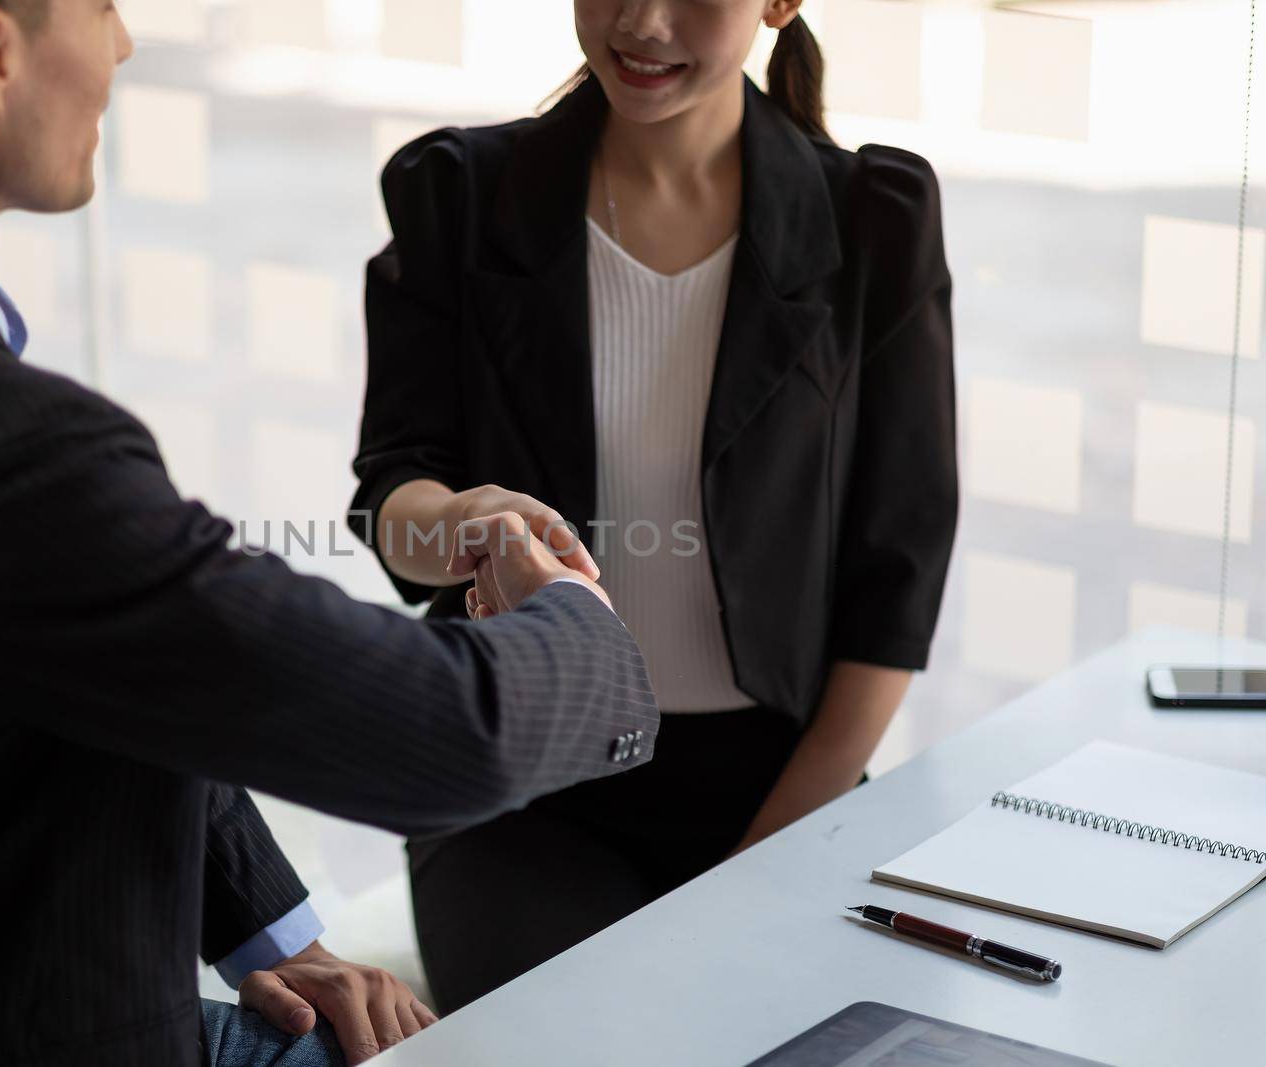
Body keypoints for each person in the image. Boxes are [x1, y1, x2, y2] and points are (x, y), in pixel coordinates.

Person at [0, 2, 660, 1065]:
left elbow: (127, 654)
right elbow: (447, 736)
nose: (124, 44)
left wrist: (275, 935)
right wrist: (578, 617)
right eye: (100, 8)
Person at [350, 0, 959, 1013]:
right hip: (518, 781)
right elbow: (392, 488)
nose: (639, 20)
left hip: (787, 781)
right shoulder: (455, 192)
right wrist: (464, 521)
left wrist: (770, 856)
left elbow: (895, 573)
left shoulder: (874, 217)